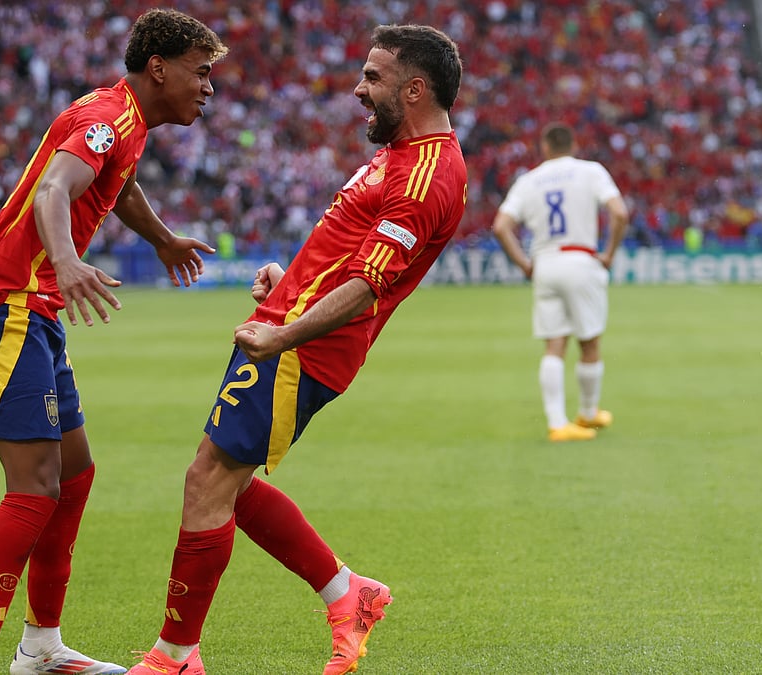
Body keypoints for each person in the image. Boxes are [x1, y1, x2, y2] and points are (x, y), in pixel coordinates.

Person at [126, 24, 466, 675]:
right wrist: (291, 285)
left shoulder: (427, 174)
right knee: (225, 480)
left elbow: (369, 285)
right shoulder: (398, 151)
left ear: (415, 89)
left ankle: (175, 657)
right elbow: (348, 259)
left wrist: (283, 333)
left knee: (208, 482)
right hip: (288, 330)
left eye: (373, 78)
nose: (359, 90)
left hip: (301, 351)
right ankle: (348, 593)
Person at [0, 10, 227, 675]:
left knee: (75, 471)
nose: (209, 87)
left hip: (35, 309)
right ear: (160, 66)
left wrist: (161, 238)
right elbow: (53, 190)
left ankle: (41, 646)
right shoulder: (105, 118)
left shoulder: (127, 125)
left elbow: (117, 185)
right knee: (34, 487)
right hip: (5, 303)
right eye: (201, 71)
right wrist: (67, 260)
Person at [490, 122, 628, 442]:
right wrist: (608, 252)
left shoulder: (529, 180)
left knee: (554, 344)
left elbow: (500, 226)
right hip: (581, 260)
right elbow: (619, 213)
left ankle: (557, 424)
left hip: (545, 264)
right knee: (589, 342)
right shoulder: (590, 171)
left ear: (545, 147)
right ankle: (589, 413)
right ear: (573, 146)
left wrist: (524, 264)